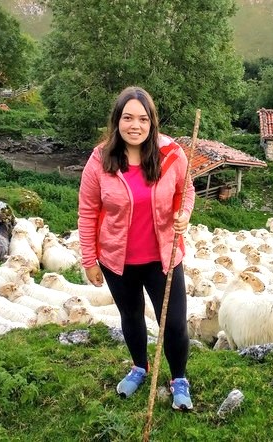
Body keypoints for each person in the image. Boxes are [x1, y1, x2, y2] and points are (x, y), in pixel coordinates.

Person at [77, 86, 196, 411]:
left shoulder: (172, 155)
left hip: (163, 258)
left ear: (151, 122)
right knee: (130, 316)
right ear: (117, 122)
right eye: (127, 117)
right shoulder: (99, 161)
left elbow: (187, 191)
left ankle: (179, 379)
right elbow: (87, 210)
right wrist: (89, 259)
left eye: (142, 119)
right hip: (118, 260)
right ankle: (139, 367)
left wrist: (184, 213)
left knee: (172, 323)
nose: (135, 125)